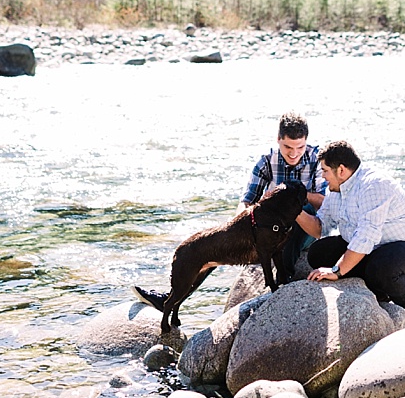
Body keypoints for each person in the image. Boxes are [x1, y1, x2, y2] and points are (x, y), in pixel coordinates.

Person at [133, 112, 326, 308]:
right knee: (216, 244)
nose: (293, 153)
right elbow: (247, 203)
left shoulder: (316, 160)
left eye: (299, 147)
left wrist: (289, 196)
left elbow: (323, 203)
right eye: (288, 147)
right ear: (278, 140)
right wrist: (236, 232)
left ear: (306, 142)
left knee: (292, 220)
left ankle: (285, 280)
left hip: (309, 227)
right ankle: (173, 298)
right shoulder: (266, 162)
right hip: (272, 226)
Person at [299, 140, 405, 313]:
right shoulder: (336, 190)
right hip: (371, 250)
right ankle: (378, 292)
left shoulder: (374, 185)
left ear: (341, 170)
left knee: (382, 267)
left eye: (325, 171)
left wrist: (336, 272)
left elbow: (365, 236)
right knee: (319, 252)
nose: (322, 176)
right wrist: (294, 211)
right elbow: (319, 228)